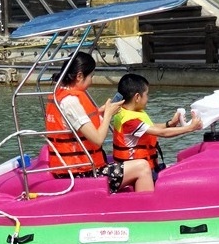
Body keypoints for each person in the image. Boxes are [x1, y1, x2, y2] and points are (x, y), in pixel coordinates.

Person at [45, 52, 154, 193]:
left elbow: (79, 126)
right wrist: (108, 114)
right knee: (143, 166)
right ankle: (144, 210)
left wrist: (101, 112)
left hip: (78, 169)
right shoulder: (70, 101)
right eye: (91, 76)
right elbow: (97, 139)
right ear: (79, 76)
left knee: (130, 165)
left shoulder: (62, 94)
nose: (91, 81)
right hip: (80, 174)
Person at [112, 72, 203, 181]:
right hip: (138, 173)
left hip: (145, 168)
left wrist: (169, 124)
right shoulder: (129, 121)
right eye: (147, 94)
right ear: (137, 97)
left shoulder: (124, 111)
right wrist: (190, 128)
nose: (148, 98)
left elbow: (149, 127)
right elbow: (162, 134)